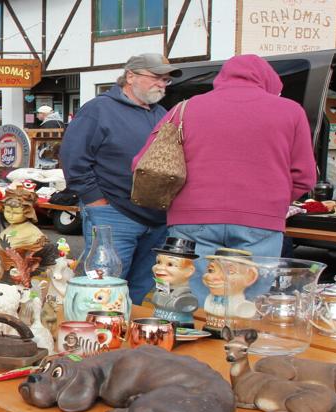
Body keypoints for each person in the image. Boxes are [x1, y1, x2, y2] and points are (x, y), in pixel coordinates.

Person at [134, 53, 313, 304]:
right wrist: (273, 202)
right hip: (260, 221)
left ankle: (194, 338)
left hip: (192, 218)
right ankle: (238, 342)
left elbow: (142, 164)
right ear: (269, 81)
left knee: (189, 302)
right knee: (246, 302)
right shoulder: (291, 111)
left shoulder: (185, 108)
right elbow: (304, 176)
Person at [60, 53, 178, 306]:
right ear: (130, 76)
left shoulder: (162, 113)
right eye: (156, 77)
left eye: (166, 80)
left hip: (157, 217)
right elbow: (73, 158)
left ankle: (124, 340)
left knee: (138, 292)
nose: (162, 84)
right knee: (102, 291)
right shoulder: (98, 109)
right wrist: (95, 201)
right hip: (113, 213)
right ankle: (95, 341)